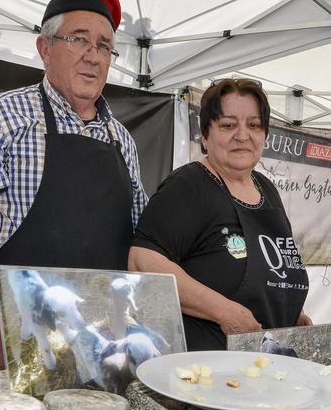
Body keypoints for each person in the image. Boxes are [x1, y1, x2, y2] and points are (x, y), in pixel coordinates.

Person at [0, 0, 147, 376]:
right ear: (45, 48)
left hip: (103, 337)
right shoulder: (2, 117)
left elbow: (141, 236)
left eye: (104, 46)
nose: (93, 56)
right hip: (22, 331)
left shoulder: (121, 139)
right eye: (79, 40)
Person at [127, 79, 311, 350]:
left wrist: (288, 310)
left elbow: (274, 270)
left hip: (263, 366)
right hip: (204, 371)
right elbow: (142, 260)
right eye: (228, 125)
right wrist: (222, 311)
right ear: (204, 135)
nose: (242, 135)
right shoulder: (189, 186)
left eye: (254, 125)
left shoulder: (268, 190)